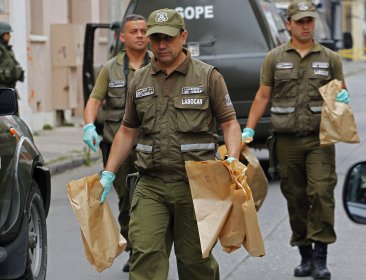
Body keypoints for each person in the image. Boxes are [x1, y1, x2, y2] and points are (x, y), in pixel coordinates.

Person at [99, 8, 241, 280]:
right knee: (145, 256)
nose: (161, 45)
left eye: (168, 38)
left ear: (183, 36)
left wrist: (232, 159)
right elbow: (127, 131)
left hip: (196, 186)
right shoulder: (139, 80)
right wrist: (109, 172)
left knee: (195, 262)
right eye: (155, 39)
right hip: (151, 184)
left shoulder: (208, 76)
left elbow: (230, 124)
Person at [242, 1, 349, 279]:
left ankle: (320, 259)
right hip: (286, 141)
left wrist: (342, 99)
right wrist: (249, 130)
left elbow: (340, 93)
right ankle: (304, 254)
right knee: (296, 197)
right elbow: (263, 96)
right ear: (288, 24)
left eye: (309, 21)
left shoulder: (330, 58)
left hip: (320, 139)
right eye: (300, 21)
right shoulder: (275, 57)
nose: (305, 26)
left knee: (322, 194)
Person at [82, 14, 151, 273]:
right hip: (117, 147)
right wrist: (89, 125)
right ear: (123, 37)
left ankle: (150, 249)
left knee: (150, 199)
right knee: (126, 200)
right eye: (134, 31)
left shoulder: (157, 64)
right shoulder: (110, 68)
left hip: (150, 145)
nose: (141, 35)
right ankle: (135, 249)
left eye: (144, 30)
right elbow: (94, 101)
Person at [0, 21, 25, 100]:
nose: (9, 37)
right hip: (2, 91)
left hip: (10, 89)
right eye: (7, 34)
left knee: (12, 112)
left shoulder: (8, 50)